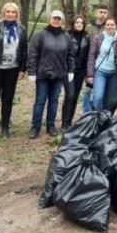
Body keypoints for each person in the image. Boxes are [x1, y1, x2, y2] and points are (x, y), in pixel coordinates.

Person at [27, 10, 74, 139]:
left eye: (59, 19)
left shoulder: (66, 37)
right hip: (43, 74)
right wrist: (31, 71)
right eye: (54, 18)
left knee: (54, 101)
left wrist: (70, 70)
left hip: (59, 75)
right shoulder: (40, 35)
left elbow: (70, 56)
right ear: (49, 19)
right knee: (40, 101)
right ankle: (35, 127)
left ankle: (50, 126)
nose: (56, 21)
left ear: (62, 21)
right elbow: (33, 54)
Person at [0, 2, 28, 139]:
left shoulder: (21, 29)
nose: (11, 14)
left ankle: (5, 128)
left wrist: (22, 69)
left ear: (17, 14)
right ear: (3, 13)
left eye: (13, 12)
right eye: (8, 11)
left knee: (7, 99)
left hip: (13, 68)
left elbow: (24, 50)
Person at [61, 15, 90, 131]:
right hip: (68, 70)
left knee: (75, 96)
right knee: (70, 94)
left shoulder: (86, 37)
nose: (79, 24)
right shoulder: (67, 36)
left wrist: (87, 72)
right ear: (73, 24)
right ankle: (64, 121)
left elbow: (88, 55)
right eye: (77, 22)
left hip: (80, 71)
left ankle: (69, 121)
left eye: (81, 23)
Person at [86, 17, 117, 112]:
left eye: (112, 24)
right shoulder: (98, 37)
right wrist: (90, 74)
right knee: (98, 97)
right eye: (108, 25)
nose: (110, 26)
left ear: (115, 26)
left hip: (113, 73)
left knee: (108, 100)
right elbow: (91, 56)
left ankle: (103, 121)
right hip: (100, 71)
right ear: (105, 26)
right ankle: (94, 119)